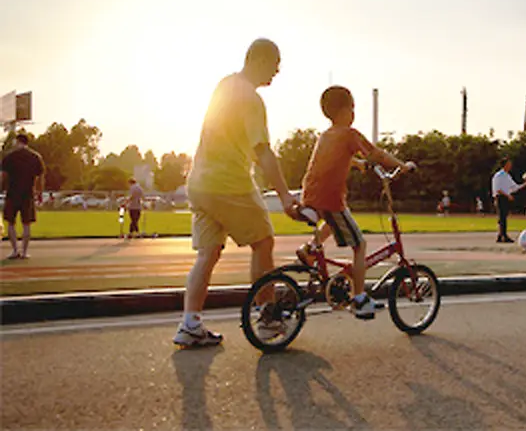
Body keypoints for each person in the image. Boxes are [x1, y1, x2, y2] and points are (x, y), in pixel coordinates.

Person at [173, 38, 297, 348]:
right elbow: (264, 152)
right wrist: (285, 196)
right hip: (229, 184)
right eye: (275, 64)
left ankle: (190, 324)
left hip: (199, 183)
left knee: (209, 254)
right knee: (263, 242)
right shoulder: (251, 98)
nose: (277, 72)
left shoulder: (225, 85)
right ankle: (267, 318)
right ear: (258, 60)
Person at [295, 86, 416, 319]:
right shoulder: (349, 134)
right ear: (345, 110)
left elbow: (336, 159)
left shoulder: (326, 136)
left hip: (311, 195)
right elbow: (377, 154)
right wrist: (402, 166)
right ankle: (359, 298)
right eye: (352, 108)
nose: (354, 113)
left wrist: (357, 164)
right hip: (331, 199)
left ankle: (309, 249)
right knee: (360, 245)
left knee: (332, 223)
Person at [1, 133, 45, 260]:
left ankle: (15, 250)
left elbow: (3, 176)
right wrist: (40, 192)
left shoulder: (9, 157)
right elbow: (41, 177)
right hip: (28, 194)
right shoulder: (35, 157)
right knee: (26, 224)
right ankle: (24, 252)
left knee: (10, 223)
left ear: (17, 141)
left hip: (12, 192)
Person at [491, 157, 526, 243]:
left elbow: (514, 187)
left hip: (505, 197)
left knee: (503, 217)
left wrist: (525, 184)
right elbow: (497, 189)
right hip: (501, 197)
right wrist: (507, 195)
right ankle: (504, 236)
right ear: (504, 165)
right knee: (502, 217)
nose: (510, 166)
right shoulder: (499, 175)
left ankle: (500, 235)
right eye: (509, 164)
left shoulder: (507, 176)